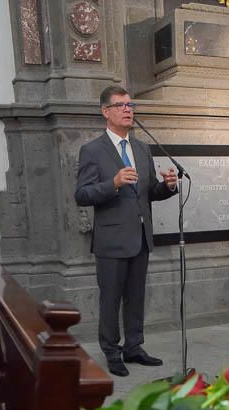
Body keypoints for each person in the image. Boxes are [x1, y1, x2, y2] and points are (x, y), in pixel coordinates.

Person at [75, 86, 178, 377]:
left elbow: (147, 194)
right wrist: (114, 184)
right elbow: (82, 195)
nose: (127, 109)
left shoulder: (142, 148)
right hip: (111, 240)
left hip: (140, 237)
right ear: (105, 112)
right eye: (120, 105)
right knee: (111, 299)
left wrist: (167, 187)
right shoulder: (92, 150)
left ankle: (134, 346)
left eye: (130, 104)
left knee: (136, 297)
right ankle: (112, 350)